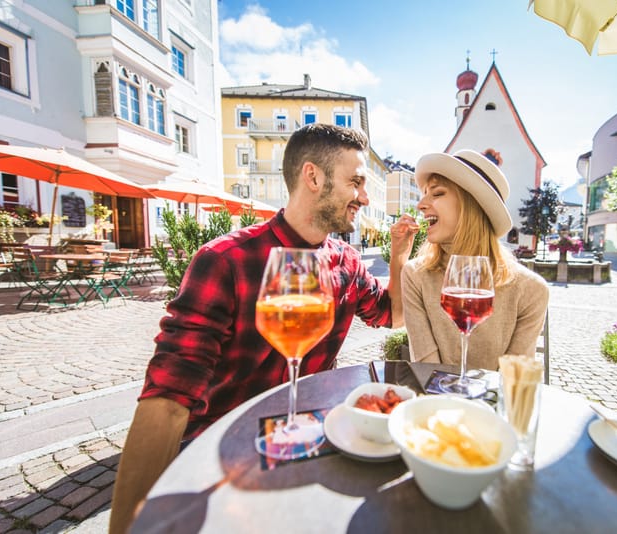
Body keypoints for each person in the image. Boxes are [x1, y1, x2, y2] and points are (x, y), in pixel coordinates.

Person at [109, 124, 418, 533]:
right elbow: (167, 400)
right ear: (313, 177)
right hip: (226, 450)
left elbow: (390, 315)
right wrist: (128, 526)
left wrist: (399, 256)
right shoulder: (225, 260)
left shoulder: (345, 260)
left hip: (312, 439)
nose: (364, 196)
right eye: (356, 182)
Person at [401, 149, 549, 371]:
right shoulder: (415, 275)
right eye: (424, 193)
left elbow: (512, 380)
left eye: (437, 193)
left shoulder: (531, 290)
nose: (420, 204)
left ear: (473, 206)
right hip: (435, 402)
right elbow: (427, 371)